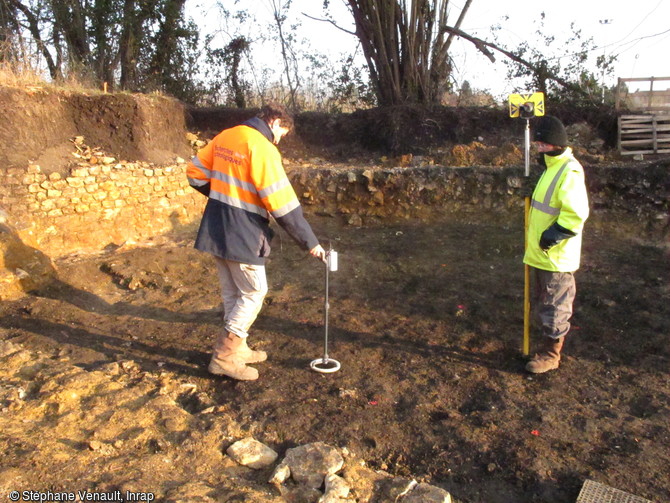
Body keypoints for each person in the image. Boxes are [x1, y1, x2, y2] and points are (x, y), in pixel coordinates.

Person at [186, 103, 326, 381]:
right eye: (282, 134)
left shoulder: (227, 136)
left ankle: (239, 347)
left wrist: (225, 199)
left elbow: (194, 173)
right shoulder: (262, 148)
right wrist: (310, 241)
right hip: (243, 233)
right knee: (253, 293)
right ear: (275, 122)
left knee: (234, 294)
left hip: (216, 227)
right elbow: (282, 204)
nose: (280, 140)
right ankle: (224, 357)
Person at [523, 115, 590, 374]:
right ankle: (544, 345)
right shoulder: (550, 169)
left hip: (556, 255)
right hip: (540, 252)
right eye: (537, 145)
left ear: (556, 144)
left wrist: (556, 233)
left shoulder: (569, 170)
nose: (539, 149)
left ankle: (551, 355)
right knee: (543, 301)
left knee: (555, 304)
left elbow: (575, 213)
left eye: (543, 145)